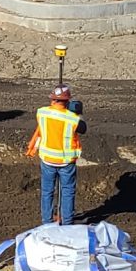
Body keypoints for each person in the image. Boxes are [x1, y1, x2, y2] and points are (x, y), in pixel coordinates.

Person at [25, 86, 85, 225]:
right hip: (66, 162)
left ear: (52, 99)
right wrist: (77, 113)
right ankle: (67, 221)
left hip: (47, 160)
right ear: (67, 101)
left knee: (47, 191)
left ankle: (47, 221)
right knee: (67, 191)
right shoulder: (72, 119)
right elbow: (83, 128)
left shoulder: (42, 113)